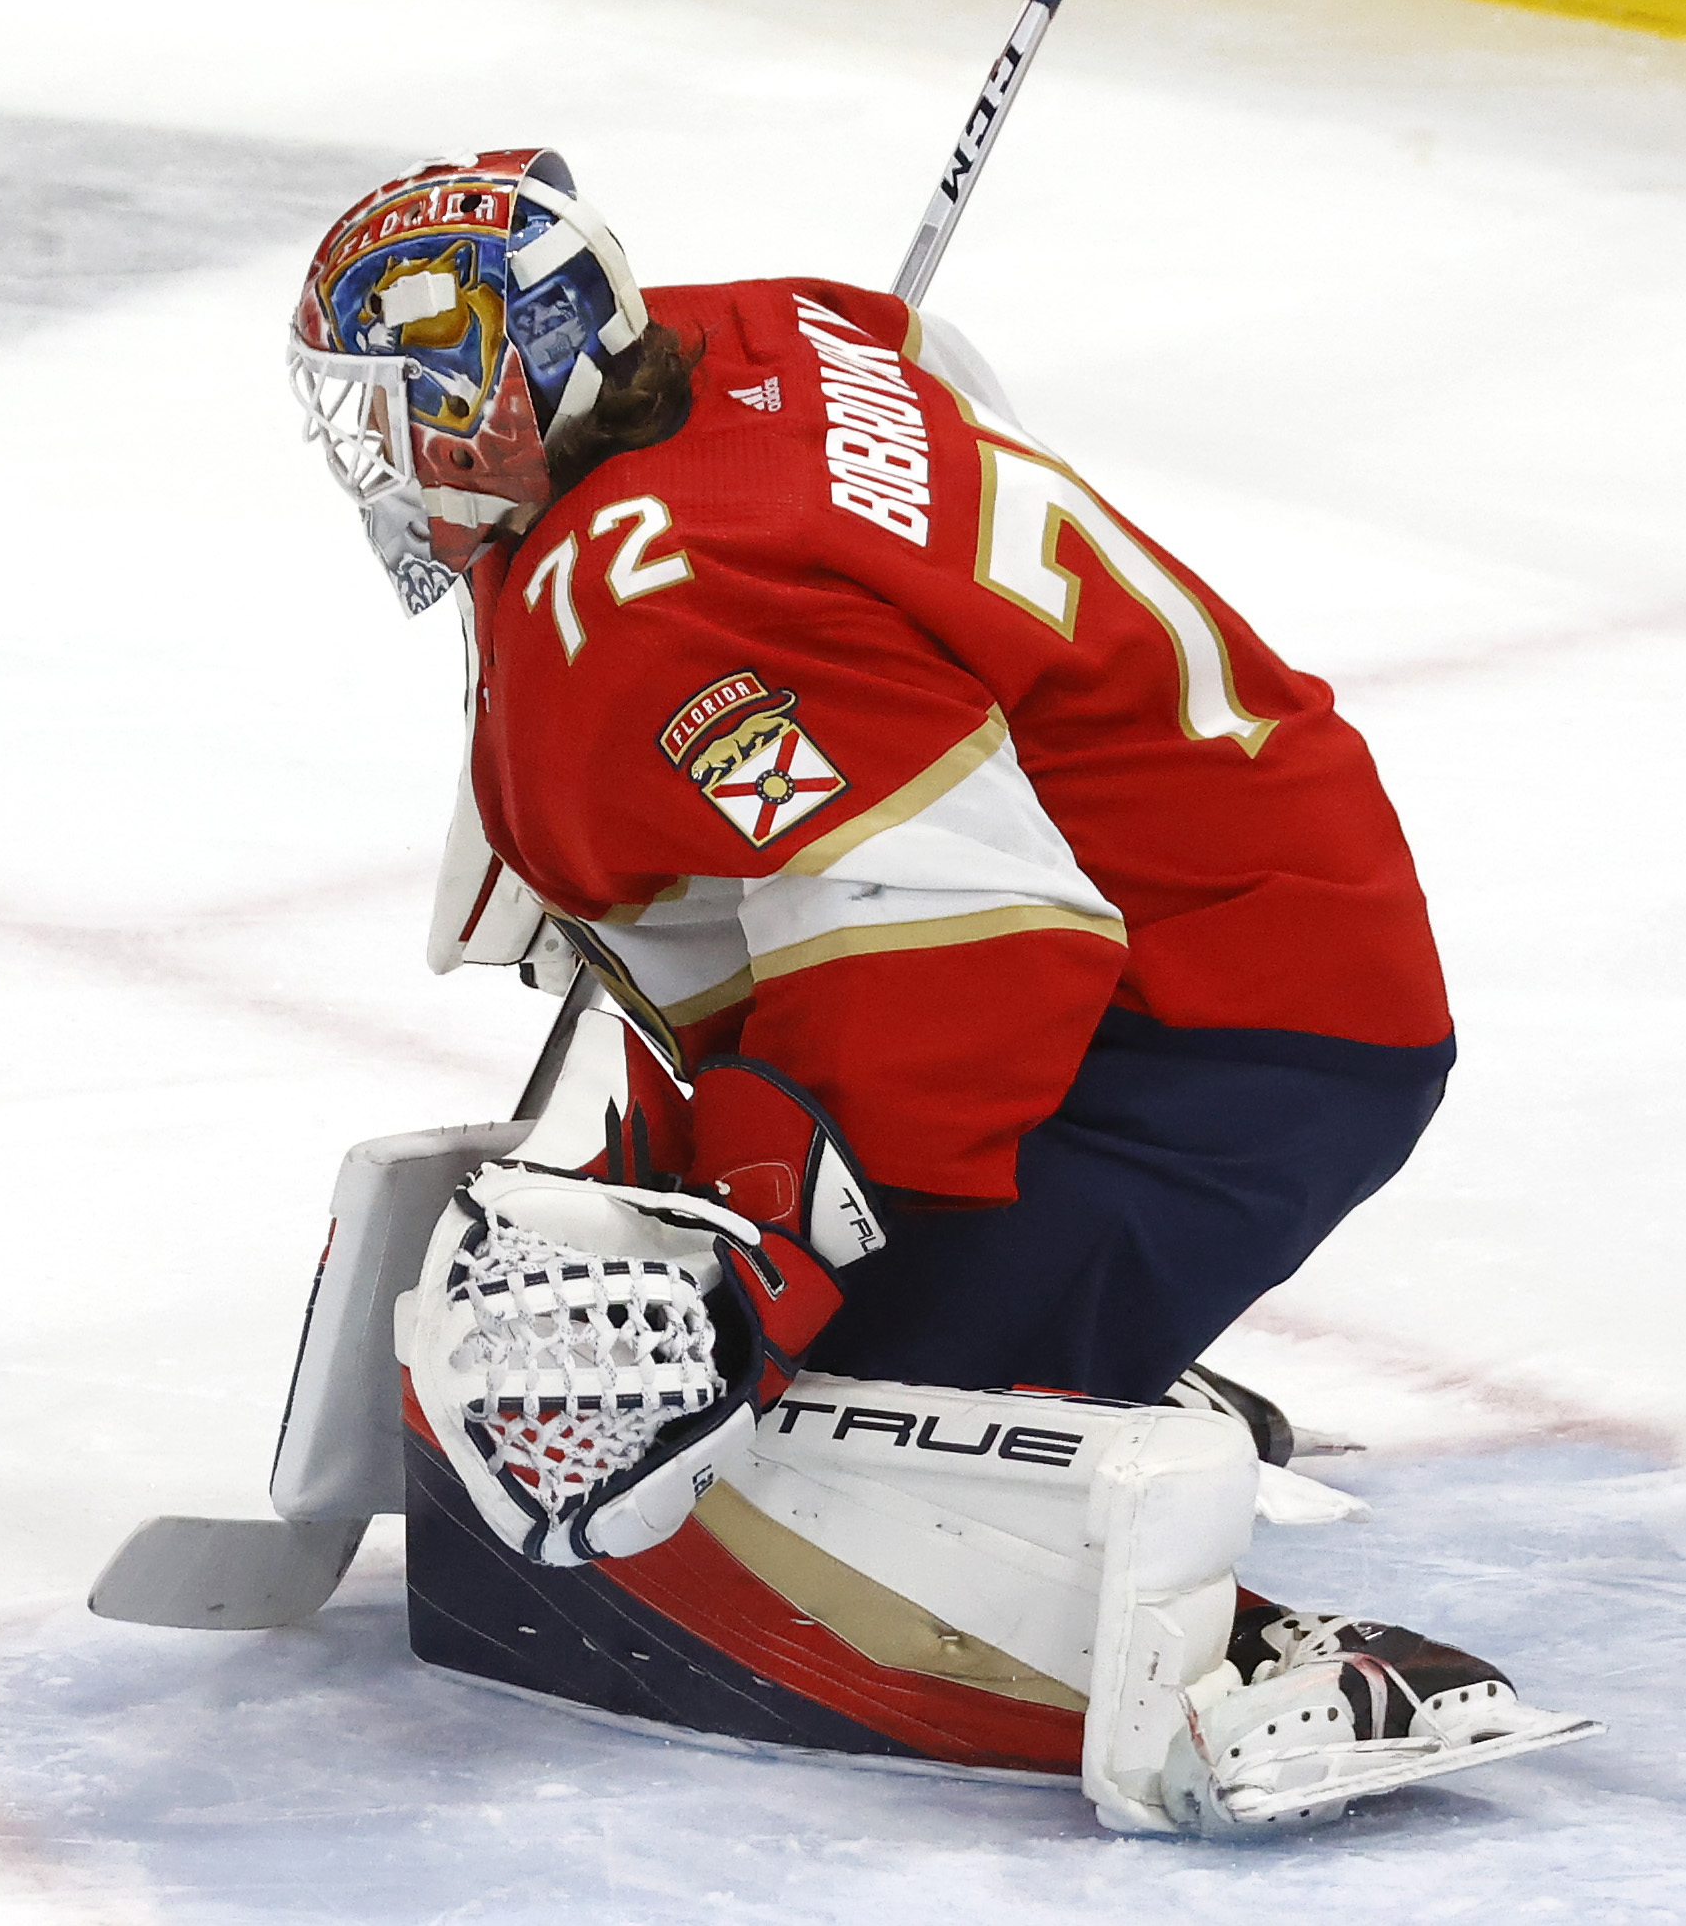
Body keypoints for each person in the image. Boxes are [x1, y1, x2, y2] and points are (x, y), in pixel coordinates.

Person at [279, 148, 1588, 1831]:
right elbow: (921, 359)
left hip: (1220, 1021)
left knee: (781, 1426)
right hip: (1225, 896)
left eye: (388, 412)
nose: (369, 461)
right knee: (732, 1236)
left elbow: (976, 945)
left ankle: (1216, 1630)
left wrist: (772, 1256)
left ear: (495, 407)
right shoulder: (752, 338)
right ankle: (1054, 1330)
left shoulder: (674, 605)